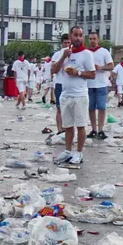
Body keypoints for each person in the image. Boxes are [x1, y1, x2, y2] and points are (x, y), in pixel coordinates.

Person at [51, 25, 96, 165]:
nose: (78, 38)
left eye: (80, 35)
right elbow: (54, 70)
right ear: (70, 37)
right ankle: (68, 151)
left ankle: (79, 153)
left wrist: (79, 73)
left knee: (81, 125)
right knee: (68, 126)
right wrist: (63, 57)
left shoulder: (87, 54)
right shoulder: (64, 53)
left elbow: (93, 74)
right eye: (75, 35)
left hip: (80, 95)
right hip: (66, 94)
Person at [86, 32, 114, 139]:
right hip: (89, 84)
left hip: (101, 84)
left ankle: (101, 129)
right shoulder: (86, 52)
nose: (92, 40)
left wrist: (101, 67)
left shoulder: (104, 52)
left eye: (94, 38)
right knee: (91, 108)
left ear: (98, 40)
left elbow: (111, 65)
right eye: (90, 39)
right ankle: (93, 129)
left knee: (101, 107)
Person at [51, 34, 71, 134]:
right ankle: (59, 129)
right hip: (59, 83)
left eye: (68, 43)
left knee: (68, 108)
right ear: (62, 43)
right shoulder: (57, 54)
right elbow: (53, 69)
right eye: (65, 43)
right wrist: (63, 57)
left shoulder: (74, 53)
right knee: (59, 108)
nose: (67, 44)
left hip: (70, 84)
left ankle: (66, 128)